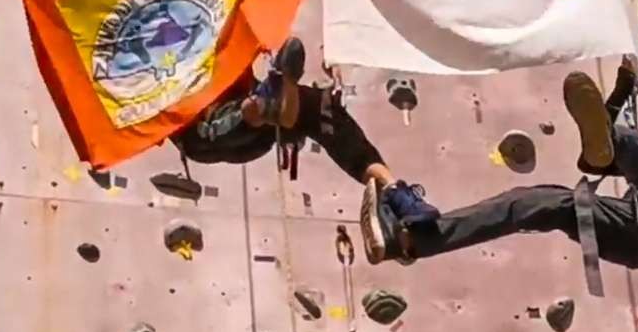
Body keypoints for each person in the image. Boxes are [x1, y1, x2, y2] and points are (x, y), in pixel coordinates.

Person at [360, 46, 638, 290]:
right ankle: (414, 241)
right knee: (538, 200)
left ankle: (615, 136)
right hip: (627, 227)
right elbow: (599, 162)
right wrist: (620, 94)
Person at [173, 36, 440, 225]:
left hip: (260, 127)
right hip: (201, 135)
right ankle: (265, 104)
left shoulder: (228, 13)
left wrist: (337, 50)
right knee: (225, 118)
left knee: (321, 108)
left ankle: (393, 191)